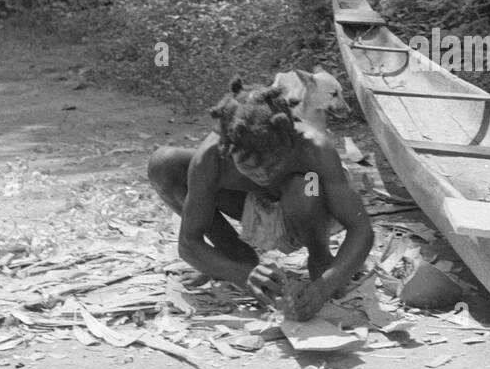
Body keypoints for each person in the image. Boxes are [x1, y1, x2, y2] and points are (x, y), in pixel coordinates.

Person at [147, 77, 374, 319]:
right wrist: (243, 275)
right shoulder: (212, 157)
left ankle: (319, 258)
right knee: (164, 163)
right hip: (254, 207)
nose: (264, 175)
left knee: (305, 184)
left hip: (310, 208)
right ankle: (234, 253)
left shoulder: (313, 148)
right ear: (228, 149)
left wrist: (323, 288)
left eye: (273, 164)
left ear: (287, 140)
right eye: (250, 167)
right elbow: (189, 243)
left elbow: (361, 229)